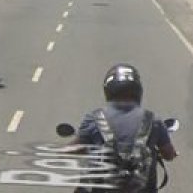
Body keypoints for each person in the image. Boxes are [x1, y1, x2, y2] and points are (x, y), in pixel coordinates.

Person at [74, 64, 177, 192]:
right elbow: (168, 154)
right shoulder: (153, 120)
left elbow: (75, 148)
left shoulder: (94, 118)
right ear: (138, 91)